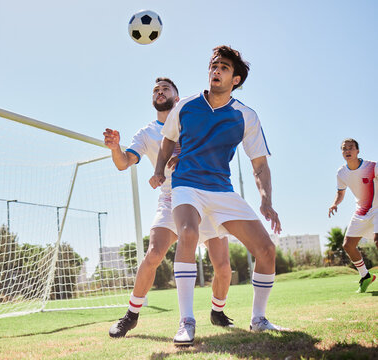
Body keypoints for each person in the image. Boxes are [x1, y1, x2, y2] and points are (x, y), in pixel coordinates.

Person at [150, 46, 287, 346]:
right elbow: (167, 140)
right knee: (187, 233)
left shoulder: (245, 116)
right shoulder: (185, 106)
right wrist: (160, 169)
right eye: (214, 65)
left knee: (266, 250)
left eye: (224, 67)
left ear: (235, 79)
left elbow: (260, 165)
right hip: (187, 184)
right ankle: (187, 321)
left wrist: (266, 200)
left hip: (222, 190)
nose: (216, 70)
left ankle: (259, 319)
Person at [104, 77, 234, 341]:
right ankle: (131, 315)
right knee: (153, 253)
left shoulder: (193, 120)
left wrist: (179, 158)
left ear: (177, 96)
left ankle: (217, 312)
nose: (159, 91)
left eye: (165, 88)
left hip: (205, 193)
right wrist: (116, 148)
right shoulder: (146, 133)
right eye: (155, 89)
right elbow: (124, 163)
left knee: (222, 266)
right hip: (172, 197)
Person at [328, 138, 377, 293]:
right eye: (344, 149)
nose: (347, 151)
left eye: (351, 148)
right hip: (361, 211)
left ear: (357, 151)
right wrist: (335, 203)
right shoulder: (341, 172)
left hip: (377, 208)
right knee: (348, 245)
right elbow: (340, 192)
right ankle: (365, 276)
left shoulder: (372, 166)